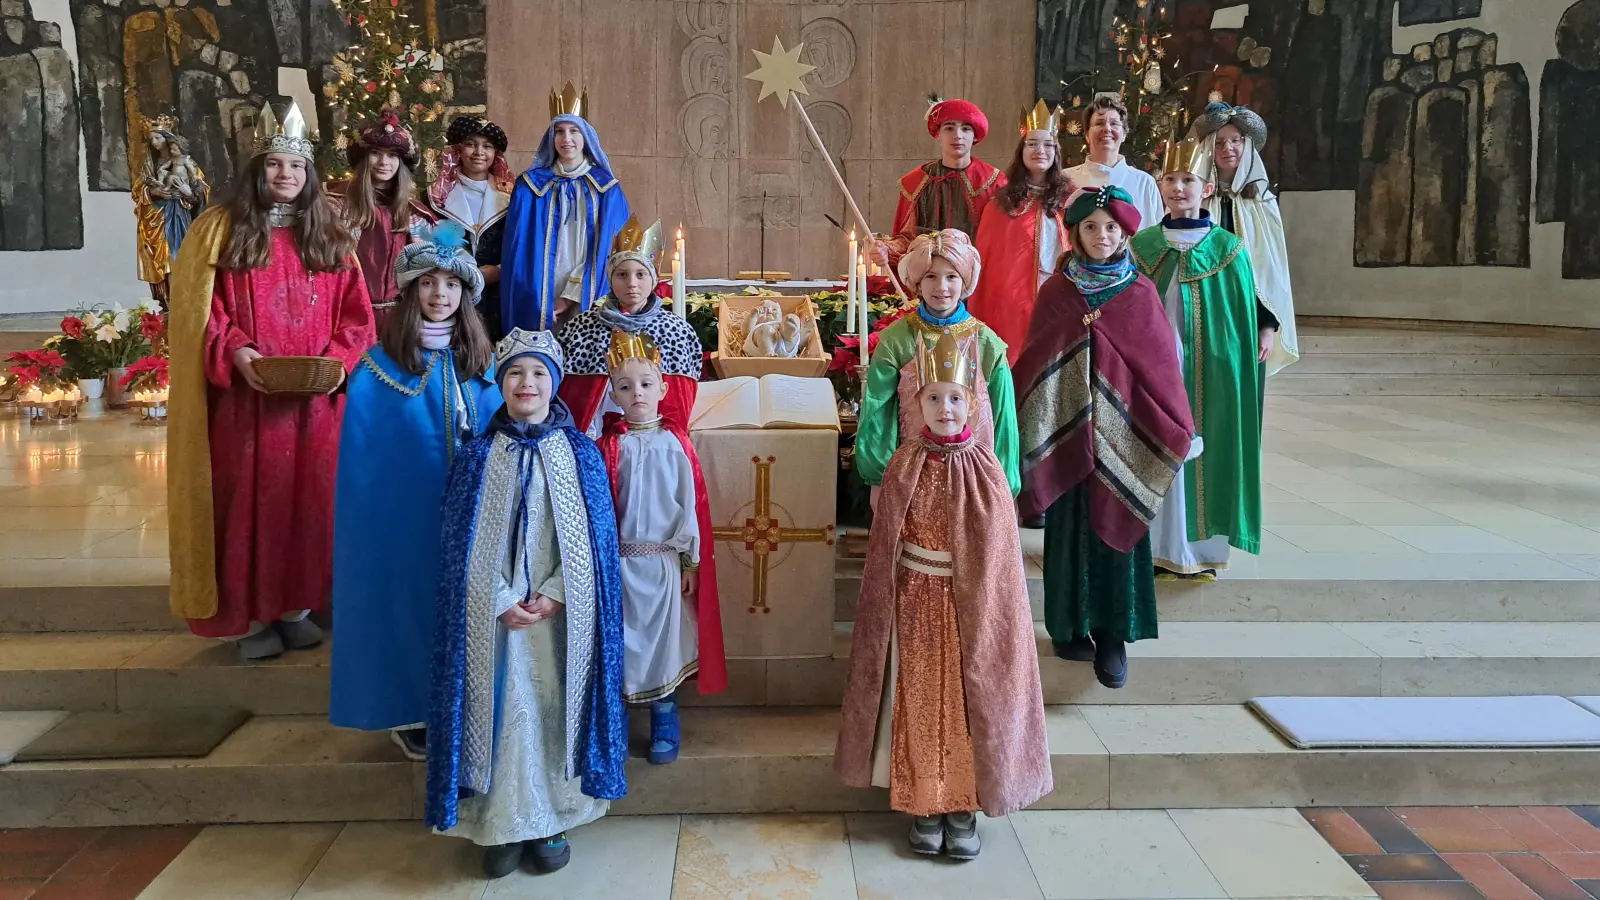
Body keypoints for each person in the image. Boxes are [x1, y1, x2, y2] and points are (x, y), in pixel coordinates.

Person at [166, 100, 374, 659]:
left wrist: (335, 363)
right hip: (246, 404)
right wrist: (237, 354)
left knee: (309, 502)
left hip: (314, 405)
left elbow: (358, 318)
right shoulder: (219, 230)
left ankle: (296, 607)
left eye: (297, 166)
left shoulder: (328, 232)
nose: (286, 175)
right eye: (275, 165)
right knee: (246, 505)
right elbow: (198, 312)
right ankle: (249, 617)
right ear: (257, 170)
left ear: (309, 175)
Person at [835, 329, 1051, 861]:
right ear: (917, 404)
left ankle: (963, 807)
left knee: (964, 703)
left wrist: (977, 600)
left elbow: (999, 556)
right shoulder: (905, 462)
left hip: (969, 611)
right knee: (916, 704)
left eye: (956, 398)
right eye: (934, 398)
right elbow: (887, 545)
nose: (946, 408)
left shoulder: (986, 470)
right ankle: (923, 805)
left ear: (974, 403)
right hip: (912, 605)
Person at [427, 328, 628, 879]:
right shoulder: (476, 457)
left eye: (539, 372)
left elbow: (597, 542)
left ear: (555, 384)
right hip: (493, 620)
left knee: (551, 709)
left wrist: (559, 594)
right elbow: (456, 544)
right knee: (502, 714)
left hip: (560, 619)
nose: (527, 382)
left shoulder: (580, 453)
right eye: (516, 371)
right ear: (501, 381)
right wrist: (495, 599)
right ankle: (501, 824)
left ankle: (554, 818)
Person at [1014, 185, 1196, 689]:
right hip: (1067, 434)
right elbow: (1034, 363)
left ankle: (1113, 637)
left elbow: (1160, 368)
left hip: (1125, 438)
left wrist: (1169, 422)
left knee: (1116, 526)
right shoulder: (1057, 292)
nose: (1101, 236)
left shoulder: (1138, 292)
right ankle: (1069, 627)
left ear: (1124, 235)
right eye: (1090, 227)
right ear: (1074, 233)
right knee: (1069, 532)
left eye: (1111, 228)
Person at [329, 221, 500, 760]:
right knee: (410, 609)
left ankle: (465, 702)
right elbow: (364, 462)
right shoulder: (377, 373)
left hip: (470, 519)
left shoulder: (481, 366)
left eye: (452, 285)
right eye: (428, 283)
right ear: (409, 292)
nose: (440, 294)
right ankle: (412, 709)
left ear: (466, 296)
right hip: (405, 524)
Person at [1130, 138, 1263, 580]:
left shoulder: (1229, 247)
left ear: (1206, 189)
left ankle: (1198, 551)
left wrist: (1257, 332)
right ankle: (1152, 546)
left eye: (1189, 180)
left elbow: (1241, 309)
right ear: (1160, 186)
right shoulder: (1142, 246)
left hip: (1210, 369)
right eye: (1171, 179)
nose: (1178, 188)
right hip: (1154, 370)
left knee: (1206, 448)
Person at [595, 330, 727, 765]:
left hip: (664, 564)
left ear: (663, 389)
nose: (637, 394)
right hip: (620, 564)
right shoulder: (609, 447)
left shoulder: (675, 445)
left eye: (646, 384)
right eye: (626, 386)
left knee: (662, 642)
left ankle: (664, 717)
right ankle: (614, 722)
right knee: (622, 642)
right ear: (612, 391)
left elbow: (688, 506)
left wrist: (689, 561)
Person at [855, 230, 1019, 502]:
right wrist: (878, 477)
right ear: (917, 283)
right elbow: (879, 411)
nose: (941, 287)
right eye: (931, 276)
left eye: (951, 277)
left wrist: (1004, 482)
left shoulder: (987, 344)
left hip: (975, 481)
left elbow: (1003, 418)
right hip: (912, 475)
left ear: (964, 281)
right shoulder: (897, 340)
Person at [501, 82, 632, 332]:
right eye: (559, 131)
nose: (566, 139)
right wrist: (537, 297)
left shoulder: (606, 189)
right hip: (537, 293)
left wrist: (573, 291)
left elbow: (613, 250)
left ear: (586, 137)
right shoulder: (530, 187)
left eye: (574, 131)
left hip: (589, 290)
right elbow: (518, 254)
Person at [557, 218, 702, 435]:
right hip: (598, 437)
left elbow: (679, 402)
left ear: (653, 280)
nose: (631, 283)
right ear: (611, 279)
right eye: (622, 274)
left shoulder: (676, 331)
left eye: (640, 274)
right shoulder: (582, 328)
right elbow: (572, 398)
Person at [1188, 100, 1299, 375]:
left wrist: (1267, 327)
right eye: (1219, 142)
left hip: (1247, 316)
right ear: (1208, 150)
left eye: (1235, 140)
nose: (1228, 149)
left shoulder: (1261, 204)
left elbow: (1270, 272)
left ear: (1246, 145)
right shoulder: (1193, 202)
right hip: (1201, 319)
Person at [968, 101, 1073, 364]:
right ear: (1021, 151)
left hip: (1059, 300)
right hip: (1011, 304)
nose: (1041, 150)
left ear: (1056, 152)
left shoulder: (1069, 200)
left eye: (1048, 145)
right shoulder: (1002, 204)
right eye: (1032, 143)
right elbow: (988, 264)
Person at [870, 98, 1007, 271]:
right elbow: (906, 239)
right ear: (937, 134)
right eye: (949, 128)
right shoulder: (916, 182)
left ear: (975, 137)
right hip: (927, 280)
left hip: (978, 280)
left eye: (965, 129)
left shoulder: (995, 183)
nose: (957, 135)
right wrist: (886, 249)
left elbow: (1002, 241)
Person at [327, 109, 433, 330]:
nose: (384, 162)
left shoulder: (415, 214)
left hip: (402, 321)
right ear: (364, 158)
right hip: (347, 319)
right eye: (376, 152)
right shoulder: (335, 207)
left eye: (393, 155)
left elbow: (429, 272)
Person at [426, 115, 514, 339]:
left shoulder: (514, 197)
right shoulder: (434, 197)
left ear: (496, 155)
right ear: (457, 150)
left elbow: (523, 244)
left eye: (487, 146)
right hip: (452, 294)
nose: (479, 152)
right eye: (470, 144)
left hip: (501, 295)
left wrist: (500, 270)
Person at [1064, 96, 1165, 235]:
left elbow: (1156, 238)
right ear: (1087, 135)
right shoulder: (1066, 179)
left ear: (1124, 134)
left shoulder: (1145, 183)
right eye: (1099, 123)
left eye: (1114, 124)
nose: (1107, 129)